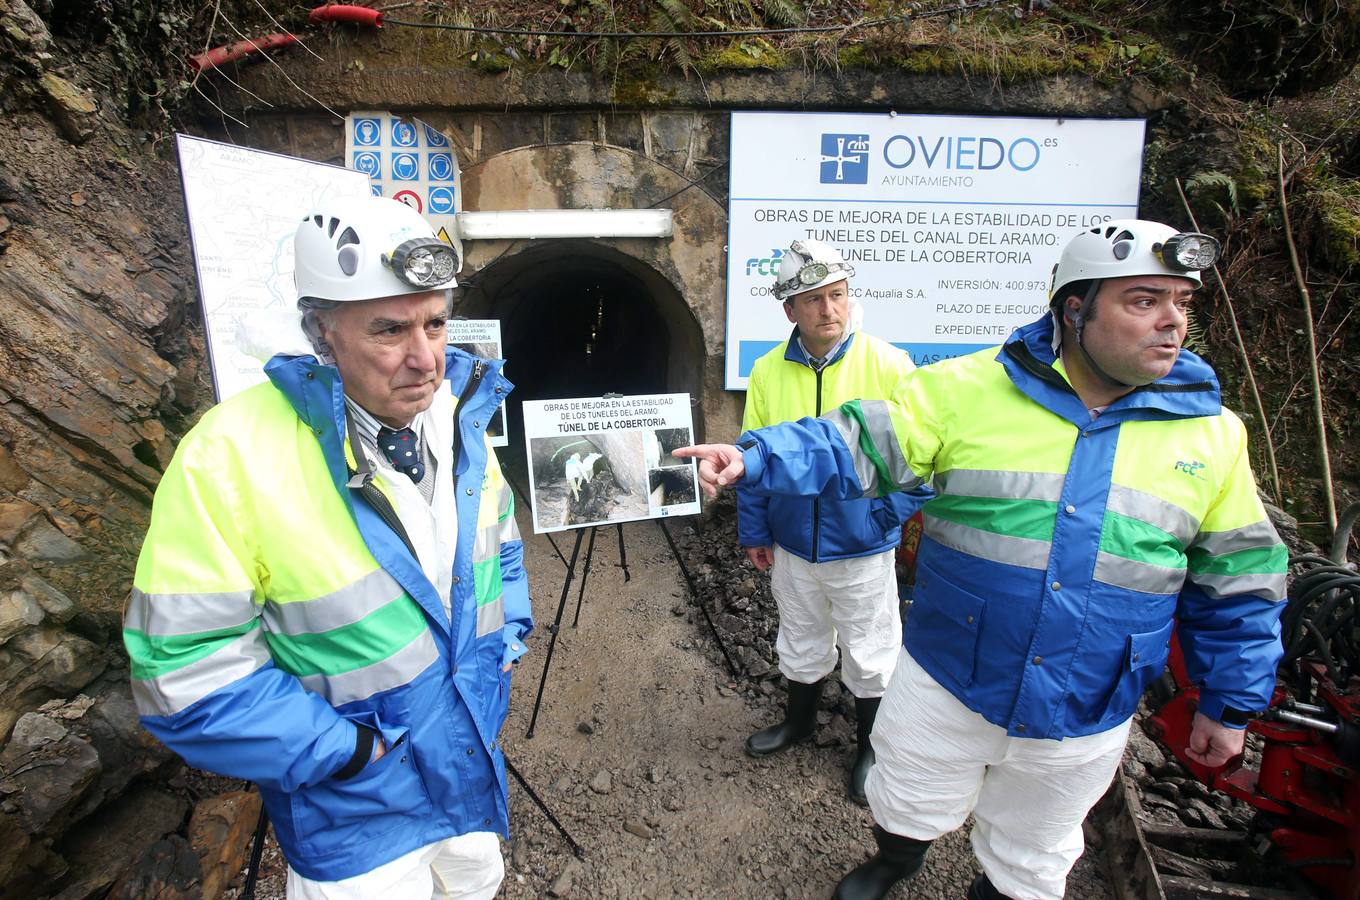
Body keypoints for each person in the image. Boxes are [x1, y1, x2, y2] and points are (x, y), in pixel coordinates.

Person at [678, 220, 1286, 900]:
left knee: (1038, 844)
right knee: (907, 784)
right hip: (952, 671)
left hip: (1087, 699)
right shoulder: (968, 391)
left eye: (1181, 302)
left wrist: (1228, 703)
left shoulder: (1215, 437)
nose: (1172, 321)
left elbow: (1241, 583)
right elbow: (856, 441)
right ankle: (897, 857)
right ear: (1074, 309)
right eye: (1144, 300)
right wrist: (753, 459)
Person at [123, 196, 532, 898]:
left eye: (436, 323)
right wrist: (345, 753)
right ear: (321, 332)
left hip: (466, 764)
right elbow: (182, 672)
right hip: (356, 813)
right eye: (389, 330)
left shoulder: (457, 417)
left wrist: (502, 654)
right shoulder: (230, 458)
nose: (425, 359)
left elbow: (499, 550)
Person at [738, 238, 928, 805]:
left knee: (872, 648)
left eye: (838, 295)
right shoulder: (769, 370)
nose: (830, 310)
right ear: (789, 310)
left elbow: (918, 462)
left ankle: (872, 744)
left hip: (862, 545)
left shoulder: (889, 364)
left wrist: (880, 518)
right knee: (800, 635)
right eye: (814, 299)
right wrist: (755, 529)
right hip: (794, 542)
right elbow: (752, 453)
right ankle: (799, 722)